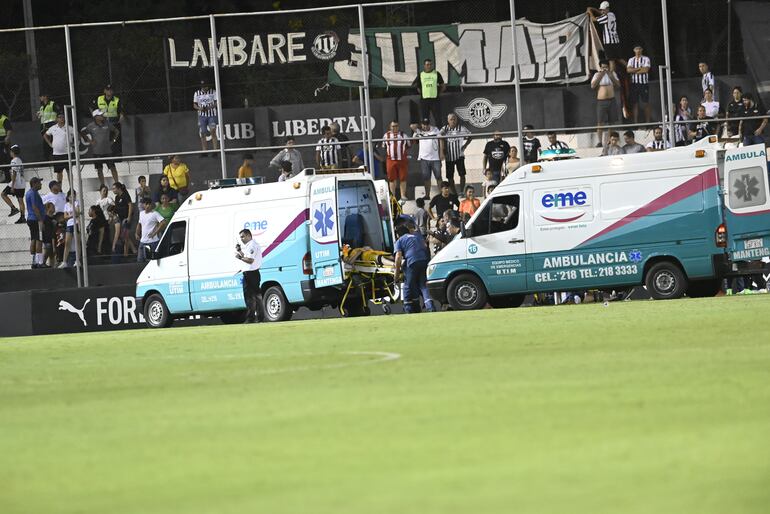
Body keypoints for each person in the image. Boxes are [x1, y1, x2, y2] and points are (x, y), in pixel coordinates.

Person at [394, 224, 435, 314]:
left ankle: (408, 308)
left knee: (408, 285)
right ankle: (430, 306)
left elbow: (398, 257)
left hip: (412, 262)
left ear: (398, 235)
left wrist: (396, 275)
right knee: (423, 285)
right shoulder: (418, 237)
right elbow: (425, 247)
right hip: (424, 261)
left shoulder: (400, 240)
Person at [81, 109, 120, 186]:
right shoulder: (91, 126)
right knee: (99, 169)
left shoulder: (107, 124)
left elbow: (116, 131)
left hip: (108, 151)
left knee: (112, 167)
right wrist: (90, 141)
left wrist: (113, 140)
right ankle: (102, 185)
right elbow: (82, 133)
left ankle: (117, 183)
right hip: (97, 151)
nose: (102, 116)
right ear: (96, 117)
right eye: (101, 115)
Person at [236, 228, 265, 323]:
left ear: (249, 235)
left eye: (243, 236)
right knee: (256, 295)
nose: (242, 239)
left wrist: (240, 257)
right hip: (252, 273)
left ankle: (251, 318)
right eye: (240, 237)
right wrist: (240, 251)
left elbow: (250, 260)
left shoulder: (252, 245)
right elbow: (247, 257)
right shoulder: (251, 245)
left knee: (250, 297)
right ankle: (260, 317)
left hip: (251, 273)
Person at [439, 113, 471, 195]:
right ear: (448, 121)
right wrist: (442, 151)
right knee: (450, 176)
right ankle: (454, 193)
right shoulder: (445, 128)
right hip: (449, 156)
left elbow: (470, 135)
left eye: (454, 119)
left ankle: (461, 192)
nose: (453, 121)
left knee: (462, 174)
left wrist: (465, 145)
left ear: (456, 120)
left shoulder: (461, 128)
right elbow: (439, 136)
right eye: (451, 119)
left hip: (459, 155)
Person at [410, 118, 442, 200]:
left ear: (429, 124)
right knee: (426, 177)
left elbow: (441, 140)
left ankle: (441, 194)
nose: (425, 126)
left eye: (427, 124)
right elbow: (411, 126)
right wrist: (419, 127)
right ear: (421, 124)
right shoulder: (419, 131)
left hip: (435, 158)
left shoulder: (435, 129)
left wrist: (441, 153)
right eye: (424, 124)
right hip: (424, 158)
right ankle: (427, 195)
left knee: (438, 176)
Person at [591, 59, 620, 146]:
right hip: (601, 101)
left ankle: (610, 140)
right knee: (600, 122)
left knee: (612, 121)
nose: (605, 69)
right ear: (600, 67)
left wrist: (610, 75)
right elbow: (593, 86)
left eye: (606, 67)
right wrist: (601, 75)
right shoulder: (597, 75)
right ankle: (599, 141)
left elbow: (618, 85)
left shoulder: (612, 73)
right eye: (603, 67)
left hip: (611, 100)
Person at [382, 120, 411, 200]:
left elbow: (408, 145)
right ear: (390, 127)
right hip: (391, 160)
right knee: (392, 179)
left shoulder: (403, 135)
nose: (395, 127)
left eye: (396, 126)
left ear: (398, 126)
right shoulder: (386, 135)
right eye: (393, 126)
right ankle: (393, 196)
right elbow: (384, 146)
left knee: (403, 178)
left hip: (402, 160)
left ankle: (403, 195)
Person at [412, 59, 446, 125]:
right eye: (427, 64)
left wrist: (437, 93)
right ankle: (426, 133)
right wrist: (423, 93)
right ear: (424, 66)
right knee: (425, 119)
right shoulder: (421, 75)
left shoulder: (436, 73)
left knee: (438, 118)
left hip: (435, 100)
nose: (429, 66)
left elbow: (443, 86)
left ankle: (440, 133)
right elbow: (418, 87)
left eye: (430, 64)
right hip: (424, 100)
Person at [94, 84, 124, 158]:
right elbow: (93, 109)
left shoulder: (117, 100)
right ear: (104, 91)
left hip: (113, 123)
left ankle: (117, 157)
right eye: (107, 90)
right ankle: (103, 157)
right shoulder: (99, 99)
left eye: (110, 90)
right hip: (102, 124)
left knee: (115, 140)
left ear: (113, 91)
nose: (109, 91)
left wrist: (121, 117)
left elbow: (121, 111)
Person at [43, 113, 74, 185]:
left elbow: (77, 135)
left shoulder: (69, 128)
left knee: (69, 171)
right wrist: (50, 144)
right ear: (57, 119)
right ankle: (59, 188)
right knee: (59, 172)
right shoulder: (53, 128)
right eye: (60, 117)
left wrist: (73, 144)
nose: (61, 119)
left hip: (68, 153)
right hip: (57, 154)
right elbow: (45, 135)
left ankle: (71, 188)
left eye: (63, 117)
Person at [136, 198, 167, 263]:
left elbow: (163, 222)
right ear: (143, 205)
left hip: (152, 242)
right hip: (142, 241)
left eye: (149, 204)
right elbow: (139, 224)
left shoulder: (155, 213)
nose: (147, 205)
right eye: (146, 204)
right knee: (140, 260)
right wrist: (136, 233)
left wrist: (155, 233)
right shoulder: (141, 213)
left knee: (151, 262)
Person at [626, 45, 651, 123]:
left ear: (642, 49)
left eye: (639, 48)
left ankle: (648, 122)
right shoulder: (631, 60)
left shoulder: (646, 58)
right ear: (634, 50)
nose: (638, 50)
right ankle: (636, 123)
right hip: (634, 84)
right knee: (635, 103)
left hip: (643, 83)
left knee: (645, 103)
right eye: (636, 49)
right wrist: (639, 68)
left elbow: (646, 70)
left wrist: (634, 71)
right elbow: (628, 70)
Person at [25, 177, 45, 268]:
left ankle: (33, 261)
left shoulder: (29, 192)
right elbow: (34, 207)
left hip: (31, 218)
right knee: (39, 239)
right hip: (36, 219)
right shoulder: (33, 193)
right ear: (34, 183)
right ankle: (39, 262)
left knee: (33, 239)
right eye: (39, 183)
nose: (41, 184)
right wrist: (40, 219)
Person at [2, 144, 26, 223]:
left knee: (3, 194)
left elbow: (14, 173)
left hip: (16, 183)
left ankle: (13, 208)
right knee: (20, 200)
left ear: (12, 152)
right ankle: (22, 217)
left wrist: (12, 186)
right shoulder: (19, 160)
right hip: (22, 183)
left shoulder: (14, 161)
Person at [194, 81, 218, 154]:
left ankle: (215, 150)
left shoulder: (213, 92)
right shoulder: (197, 93)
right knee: (202, 132)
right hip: (201, 115)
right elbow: (194, 105)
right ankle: (204, 151)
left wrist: (209, 107)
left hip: (212, 114)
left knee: (213, 130)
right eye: (203, 87)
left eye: (206, 86)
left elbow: (216, 102)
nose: (204, 88)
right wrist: (200, 108)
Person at [112, 181, 136, 256]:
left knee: (125, 236)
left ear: (119, 188)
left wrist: (129, 217)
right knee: (126, 236)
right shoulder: (116, 198)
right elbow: (116, 208)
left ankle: (126, 254)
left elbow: (130, 205)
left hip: (126, 218)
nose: (113, 190)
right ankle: (134, 250)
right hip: (121, 218)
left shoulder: (125, 195)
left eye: (114, 189)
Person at [59, 190, 79, 268]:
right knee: (67, 243)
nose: (72, 198)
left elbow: (77, 212)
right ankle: (64, 261)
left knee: (77, 242)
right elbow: (65, 217)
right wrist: (71, 215)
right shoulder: (66, 205)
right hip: (69, 224)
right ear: (68, 197)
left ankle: (77, 260)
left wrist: (71, 213)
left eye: (74, 196)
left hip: (76, 223)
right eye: (71, 196)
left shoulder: (76, 203)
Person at [36, 93, 59, 161]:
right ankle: (46, 159)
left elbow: (59, 112)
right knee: (46, 143)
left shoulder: (52, 104)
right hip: (44, 126)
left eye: (41, 96)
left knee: (53, 141)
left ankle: (55, 158)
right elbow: (41, 117)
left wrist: (56, 121)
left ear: (45, 97)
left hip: (51, 125)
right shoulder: (42, 107)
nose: (40, 98)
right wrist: (38, 115)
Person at [42, 202, 57, 267]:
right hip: (48, 240)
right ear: (48, 208)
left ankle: (52, 267)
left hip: (54, 239)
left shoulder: (54, 218)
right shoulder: (45, 218)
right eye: (52, 207)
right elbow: (48, 231)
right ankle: (42, 263)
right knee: (47, 252)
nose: (54, 208)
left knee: (52, 255)